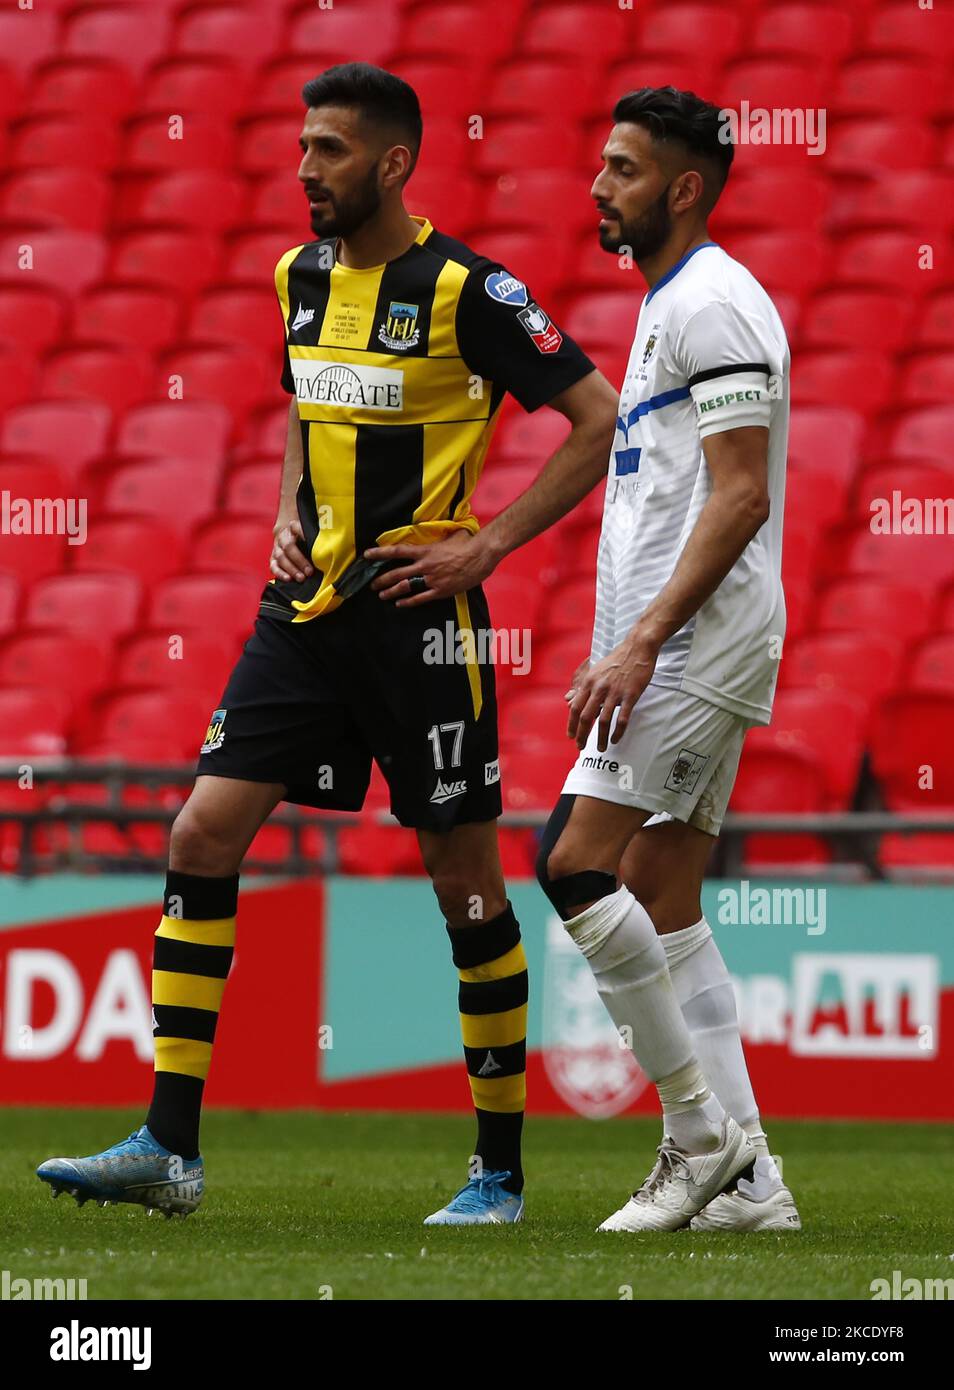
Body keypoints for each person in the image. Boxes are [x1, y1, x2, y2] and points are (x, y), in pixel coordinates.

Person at [37, 63, 617, 1227]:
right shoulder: (297, 274)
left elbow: (595, 415)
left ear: (394, 163)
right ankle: (170, 1145)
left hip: (421, 625)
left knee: (463, 883)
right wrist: (288, 507)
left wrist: (487, 546)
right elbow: (308, 405)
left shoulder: (471, 290)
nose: (305, 168)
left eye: (330, 151)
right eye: (302, 146)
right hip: (301, 620)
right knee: (202, 830)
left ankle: (497, 1173)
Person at [535, 87, 801, 1233]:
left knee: (574, 865)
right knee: (665, 895)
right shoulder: (666, 306)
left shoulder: (714, 306)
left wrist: (641, 642)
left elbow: (741, 495)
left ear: (683, 188)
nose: (599, 185)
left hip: (694, 643)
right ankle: (752, 1189)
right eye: (602, 165)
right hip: (681, 640)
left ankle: (701, 1140)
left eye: (623, 168)